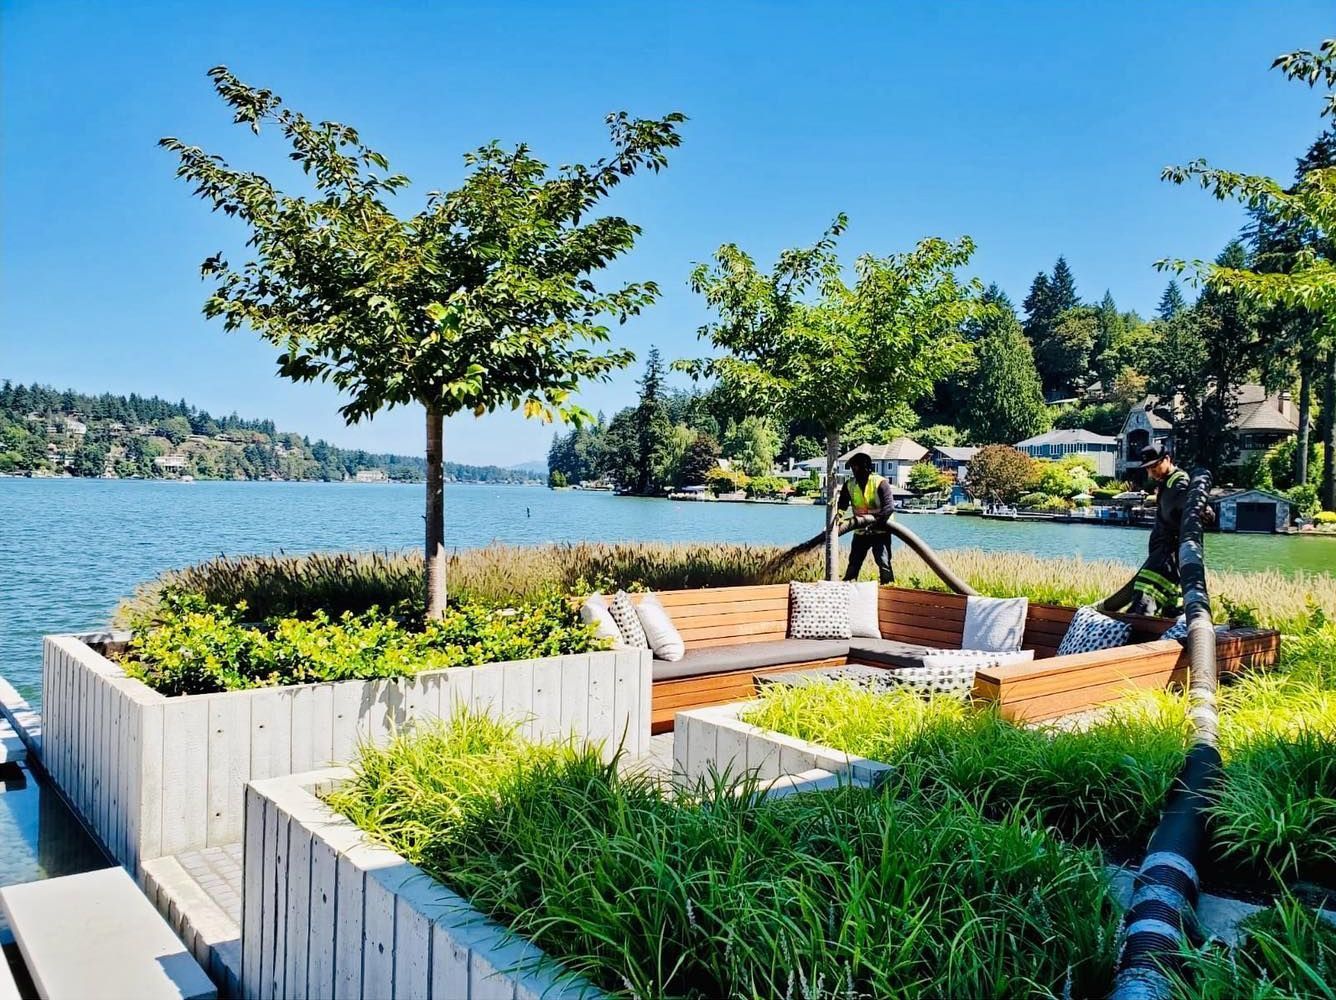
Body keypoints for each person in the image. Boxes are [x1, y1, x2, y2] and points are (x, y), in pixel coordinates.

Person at [1127, 444, 1198, 616]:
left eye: (1154, 466)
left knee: (1144, 596)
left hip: (1167, 553)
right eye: (1148, 469)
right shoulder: (1168, 482)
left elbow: (1183, 506)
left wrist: (1202, 510)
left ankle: (1137, 635)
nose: (1151, 473)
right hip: (1164, 553)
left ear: (1167, 459)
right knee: (1172, 603)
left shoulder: (1178, 481)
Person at [837, 452, 896, 584]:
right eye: (853, 468)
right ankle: (847, 587)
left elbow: (889, 508)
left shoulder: (880, 483)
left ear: (866, 467)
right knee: (854, 562)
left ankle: (888, 588)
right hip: (861, 530)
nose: (854, 470)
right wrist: (839, 515)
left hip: (881, 530)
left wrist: (876, 523)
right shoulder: (850, 485)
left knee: (883, 561)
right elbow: (842, 503)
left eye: (856, 467)